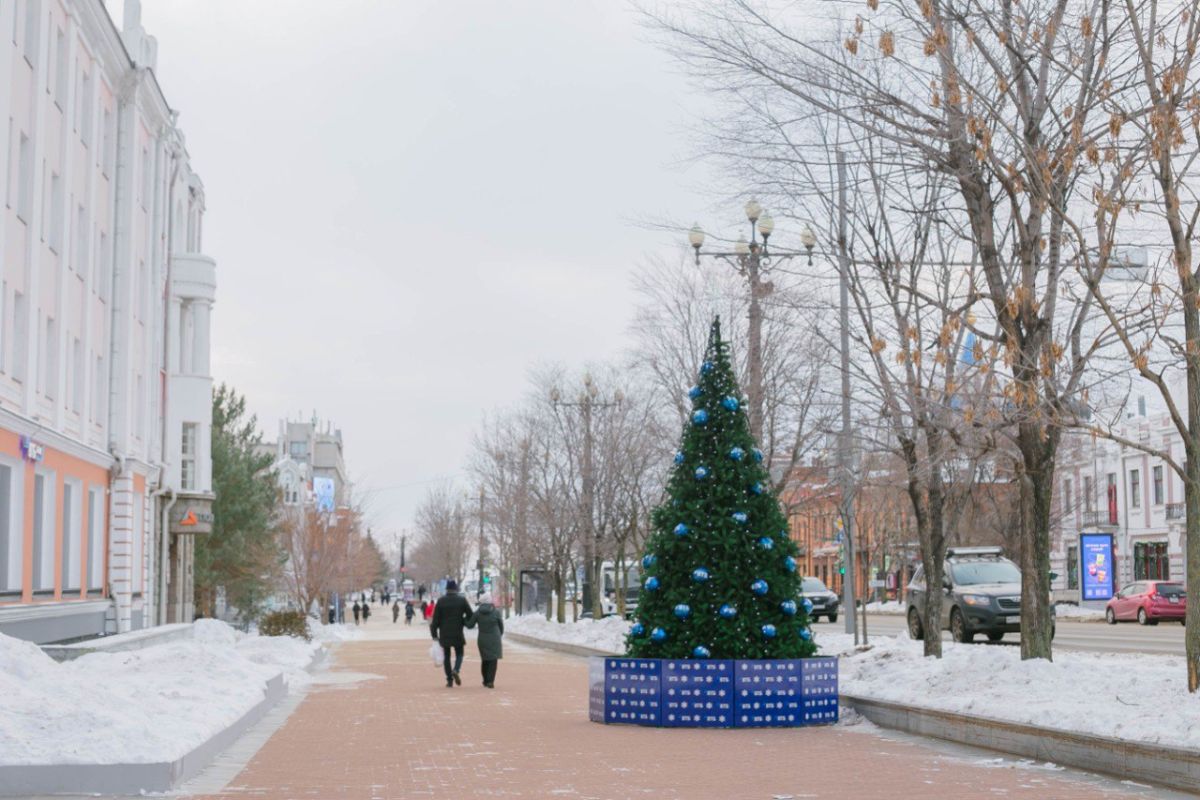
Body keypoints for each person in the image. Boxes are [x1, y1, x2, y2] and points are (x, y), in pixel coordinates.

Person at [429, 580, 472, 688]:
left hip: (444, 633)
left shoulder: (441, 601)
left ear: (446, 589)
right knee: (460, 654)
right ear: (456, 589)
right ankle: (456, 669)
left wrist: (434, 635)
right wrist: (463, 621)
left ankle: (449, 680)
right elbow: (470, 614)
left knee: (446, 656)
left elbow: (435, 621)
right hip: (457, 632)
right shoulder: (461, 600)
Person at [466, 591, 504, 688]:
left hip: (482, 639)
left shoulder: (478, 613)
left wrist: (464, 620)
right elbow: (501, 626)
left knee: (485, 659)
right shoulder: (496, 612)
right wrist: (499, 635)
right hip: (495, 638)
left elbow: (470, 625)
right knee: (493, 660)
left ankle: (485, 680)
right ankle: (490, 681)